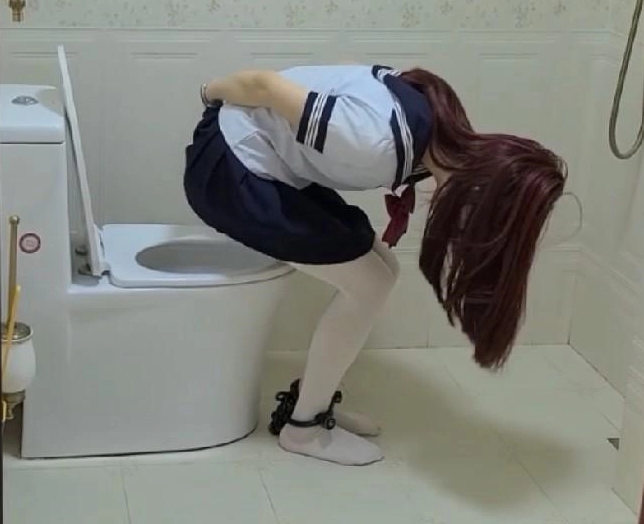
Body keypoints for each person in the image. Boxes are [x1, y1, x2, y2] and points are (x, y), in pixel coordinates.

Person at [183, 63, 567, 466]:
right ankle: (304, 428)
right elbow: (261, 85)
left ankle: (313, 400)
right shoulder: (373, 140)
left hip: (267, 160)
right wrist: (210, 92)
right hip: (226, 169)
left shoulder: (441, 136)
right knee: (368, 284)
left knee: (383, 271)